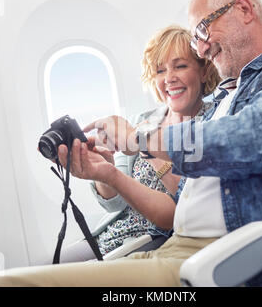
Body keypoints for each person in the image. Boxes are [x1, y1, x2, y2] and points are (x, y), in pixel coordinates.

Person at [0, 0, 262, 287]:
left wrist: (140, 141)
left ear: (243, 10)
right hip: (174, 250)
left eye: (203, 30)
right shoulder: (228, 97)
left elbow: (253, 141)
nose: (202, 47)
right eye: (196, 38)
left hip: (232, 260)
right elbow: (179, 209)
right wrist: (107, 173)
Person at [52, 25, 221, 263]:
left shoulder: (212, 123)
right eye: (160, 70)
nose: (169, 78)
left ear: (204, 71)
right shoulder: (140, 121)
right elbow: (114, 204)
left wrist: (146, 148)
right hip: (112, 235)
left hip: (156, 239)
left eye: (180, 66)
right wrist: (101, 170)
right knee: (50, 264)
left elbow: (187, 204)